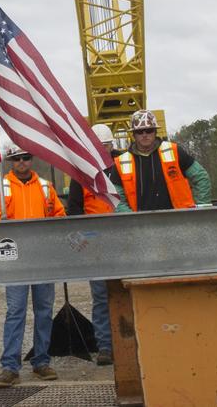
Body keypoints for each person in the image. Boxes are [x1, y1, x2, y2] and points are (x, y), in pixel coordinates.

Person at [0, 142, 66, 388]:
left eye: (26, 157)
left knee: (44, 311)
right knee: (16, 312)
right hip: (15, 262)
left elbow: (59, 218)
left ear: (32, 159)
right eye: (17, 158)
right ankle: (10, 366)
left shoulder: (46, 187)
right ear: (11, 162)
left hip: (43, 260)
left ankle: (41, 362)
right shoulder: (1, 189)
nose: (22, 162)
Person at [64, 123, 127, 367]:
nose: (103, 150)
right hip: (97, 243)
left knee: (128, 292)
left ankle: (129, 341)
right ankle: (105, 347)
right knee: (101, 297)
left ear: (112, 146)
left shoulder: (125, 165)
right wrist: (82, 245)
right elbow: (74, 211)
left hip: (124, 240)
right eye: (99, 146)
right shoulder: (82, 172)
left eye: (106, 146)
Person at [114, 110, 212, 210]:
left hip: (180, 221)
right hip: (142, 224)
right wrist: (131, 220)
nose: (144, 135)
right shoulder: (121, 162)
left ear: (155, 131)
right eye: (139, 131)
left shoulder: (174, 151)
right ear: (133, 134)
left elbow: (201, 178)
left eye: (149, 130)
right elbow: (117, 199)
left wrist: (201, 208)